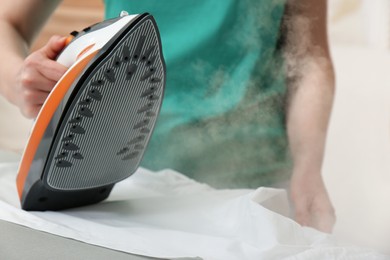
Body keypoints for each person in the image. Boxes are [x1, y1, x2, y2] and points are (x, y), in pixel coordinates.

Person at [0, 0, 335, 232]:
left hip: (253, 186)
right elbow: (7, 22)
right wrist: (22, 83)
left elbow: (307, 59)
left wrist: (308, 167)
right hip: (122, 185)